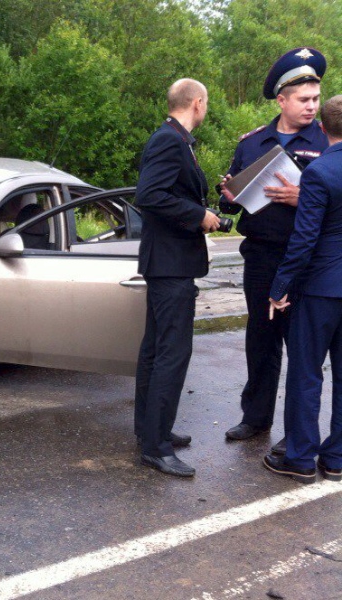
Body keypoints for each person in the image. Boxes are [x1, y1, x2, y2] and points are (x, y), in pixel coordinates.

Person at [220, 48, 327, 453]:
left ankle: (296, 431)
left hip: (307, 259)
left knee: (301, 345)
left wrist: (305, 198)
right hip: (262, 255)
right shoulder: (252, 143)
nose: (311, 106)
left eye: (316, 99)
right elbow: (233, 202)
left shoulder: (329, 142)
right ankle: (255, 417)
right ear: (281, 100)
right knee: (261, 338)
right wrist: (229, 196)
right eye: (304, 99)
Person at [134, 79, 220, 477]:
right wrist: (199, 215)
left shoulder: (176, 139)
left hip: (168, 263)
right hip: (171, 265)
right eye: (206, 103)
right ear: (197, 103)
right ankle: (156, 448)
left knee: (156, 352)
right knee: (171, 353)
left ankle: (151, 430)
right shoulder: (170, 140)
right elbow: (149, 195)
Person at [265, 95, 342, 485]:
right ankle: (337, 458)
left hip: (320, 289)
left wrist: (279, 287)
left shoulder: (319, 172)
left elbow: (304, 239)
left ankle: (299, 458)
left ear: (323, 128)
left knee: (306, 373)